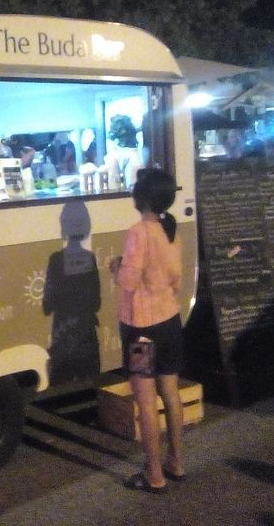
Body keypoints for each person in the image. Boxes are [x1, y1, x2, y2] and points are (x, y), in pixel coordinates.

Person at [109, 169, 185, 493]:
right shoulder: (171, 230)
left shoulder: (138, 232)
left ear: (142, 198)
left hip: (141, 329)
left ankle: (154, 476)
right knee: (171, 393)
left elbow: (128, 281)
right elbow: (175, 277)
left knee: (146, 401)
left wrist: (116, 268)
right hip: (170, 321)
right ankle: (176, 462)